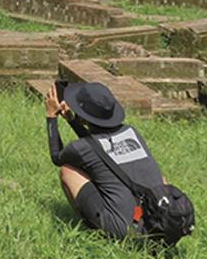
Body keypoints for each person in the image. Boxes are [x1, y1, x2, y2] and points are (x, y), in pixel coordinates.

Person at [45, 80, 167, 240]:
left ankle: (96, 232)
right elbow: (98, 147)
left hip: (127, 231)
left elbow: (57, 156)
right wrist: (72, 120)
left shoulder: (80, 148)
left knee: (68, 171)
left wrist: (51, 117)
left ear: (84, 116)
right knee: (159, 178)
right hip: (161, 221)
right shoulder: (131, 132)